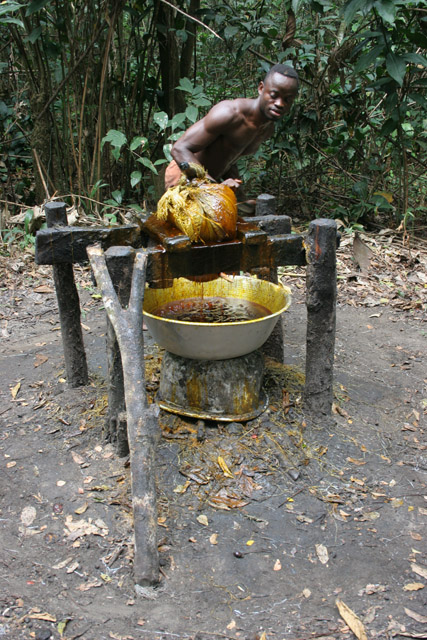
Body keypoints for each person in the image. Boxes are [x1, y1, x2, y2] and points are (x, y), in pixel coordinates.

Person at [164, 64, 299, 210]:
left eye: (287, 99)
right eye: (274, 95)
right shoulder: (230, 113)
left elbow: (229, 156)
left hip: (209, 184)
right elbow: (179, 149)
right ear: (261, 88)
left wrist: (240, 199)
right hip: (183, 175)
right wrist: (214, 188)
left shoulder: (267, 129)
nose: (280, 104)